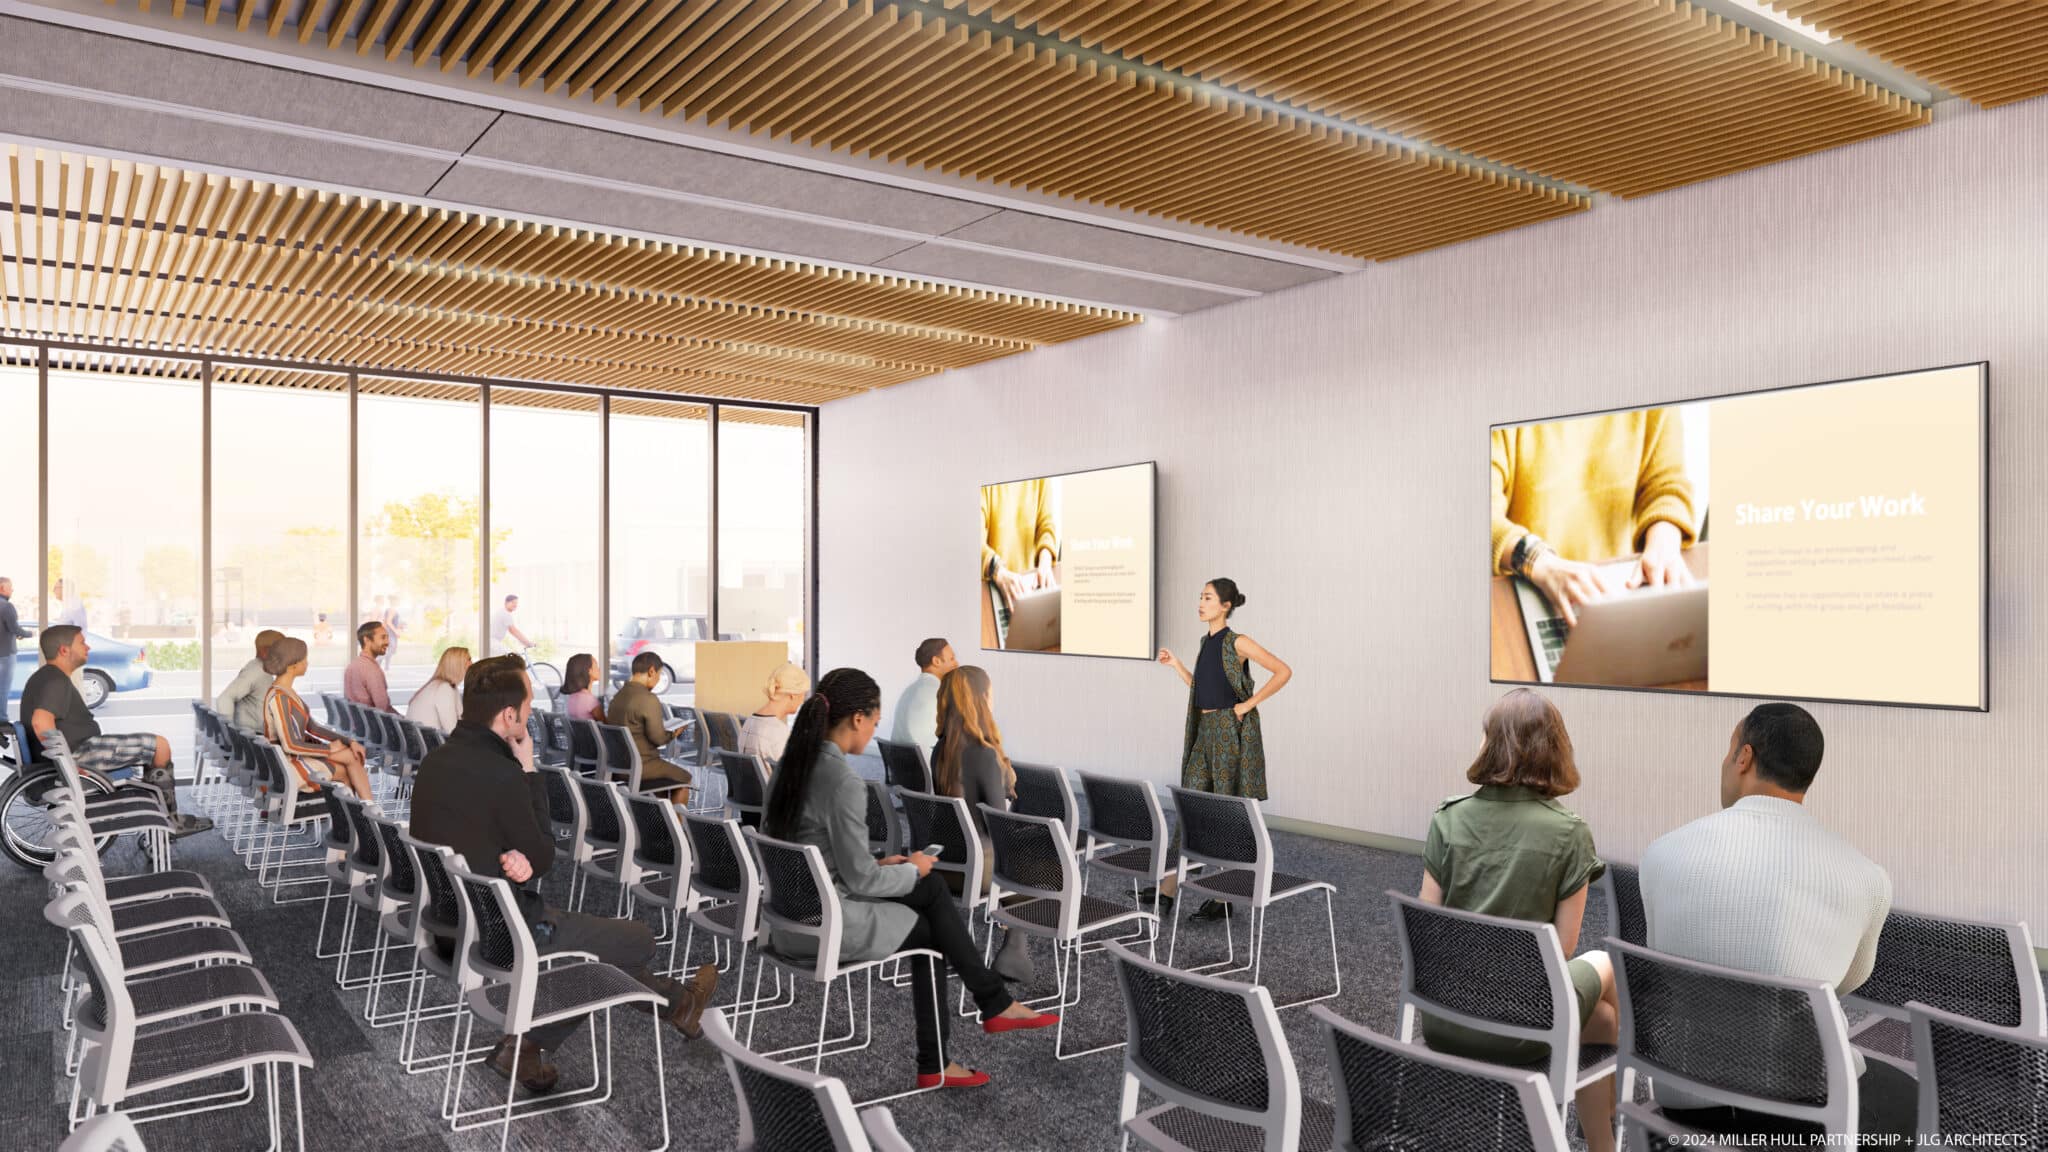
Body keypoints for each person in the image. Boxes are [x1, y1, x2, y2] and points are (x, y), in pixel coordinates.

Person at [409, 654, 718, 1094]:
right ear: (509, 714)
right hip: (501, 934)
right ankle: (529, 1045)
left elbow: (493, 843)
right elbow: (544, 856)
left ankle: (679, 1004)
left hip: (448, 924)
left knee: (595, 948)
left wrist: (512, 855)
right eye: (529, 703)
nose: (532, 711)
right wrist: (530, 770)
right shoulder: (502, 772)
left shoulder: (437, 762)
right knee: (635, 942)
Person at [762, 667, 1057, 1090]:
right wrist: (909, 869)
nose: (873, 732)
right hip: (826, 924)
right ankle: (950, 1045)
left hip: (791, 917)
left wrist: (892, 866)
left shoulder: (787, 769)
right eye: (876, 723)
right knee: (933, 926)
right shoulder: (842, 780)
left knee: (931, 888)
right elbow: (861, 882)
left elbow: (817, 854)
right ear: (858, 719)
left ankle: (990, 1006)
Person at [1639, 702, 1905, 1140]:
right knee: (1911, 1096)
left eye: (1728, 752)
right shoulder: (1867, 877)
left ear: (1744, 757)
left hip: (1683, 1091)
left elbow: (1665, 960)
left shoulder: (1662, 854)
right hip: (1807, 1104)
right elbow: (1843, 983)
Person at [1416, 689, 1617, 1152]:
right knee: (1604, 966)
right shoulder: (1569, 833)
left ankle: (1599, 1133)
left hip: (1444, 1016)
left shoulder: (1448, 819)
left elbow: (1426, 927)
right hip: (1524, 1026)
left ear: (1489, 744)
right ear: (1556, 747)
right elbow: (1561, 951)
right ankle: (1600, 1136)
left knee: (1604, 1021)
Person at [1153, 578, 1291, 919]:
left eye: (1208, 598)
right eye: (1200, 596)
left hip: (1228, 731)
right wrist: (1177, 667)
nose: (1201, 602)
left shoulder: (1237, 641)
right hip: (1205, 730)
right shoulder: (1206, 641)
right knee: (1191, 804)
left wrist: (1246, 706)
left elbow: (1282, 671)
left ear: (1225, 605)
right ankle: (1166, 892)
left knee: (1227, 813)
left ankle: (1225, 898)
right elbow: (1201, 689)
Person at [1492, 409, 1699, 626]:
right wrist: (1538, 561)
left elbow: (1667, 483)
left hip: (1617, 590)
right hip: (1526, 590)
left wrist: (1664, 542)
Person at [21, 625, 212, 836]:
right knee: (160, 746)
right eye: (82, 642)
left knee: (155, 746)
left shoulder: (46, 677)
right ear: (64, 650)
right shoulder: (54, 681)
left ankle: (159, 821)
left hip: (82, 748)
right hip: (80, 752)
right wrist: (68, 764)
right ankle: (170, 823)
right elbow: (41, 722)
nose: (88, 646)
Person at [930, 664, 1034, 981]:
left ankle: (1005, 936)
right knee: (1044, 870)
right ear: (980, 699)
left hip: (944, 865)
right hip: (979, 869)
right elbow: (997, 825)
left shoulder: (940, 750)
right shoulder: (984, 754)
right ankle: (1014, 950)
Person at [262, 636, 376, 802]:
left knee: (352, 757)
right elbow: (290, 744)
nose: (307, 663)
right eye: (304, 659)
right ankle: (363, 816)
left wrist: (349, 741)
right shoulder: (280, 698)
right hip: (287, 765)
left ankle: (366, 813)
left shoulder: (286, 692)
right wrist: (329, 749)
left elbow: (313, 727)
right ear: (293, 665)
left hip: (294, 757)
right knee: (347, 768)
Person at [611, 651, 694, 797]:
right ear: (651, 671)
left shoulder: (618, 696)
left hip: (618, 766)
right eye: (659, 674)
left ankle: (658, 818)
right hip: (643, 764)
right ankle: (675, 820)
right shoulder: (648, 699)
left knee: (663, 783)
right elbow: (658, 739)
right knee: (685, 778)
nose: (657, 680)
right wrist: (673, 733)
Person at [981, 479, 1059, 610]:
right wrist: (998, 572)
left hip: (1028, 589)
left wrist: (1045, 559)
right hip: (993, 591)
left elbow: (1046, 525)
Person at [888, 638, 956, 758]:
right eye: (952, 659)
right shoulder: (941, 693)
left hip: (901, 770)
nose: (956, 664)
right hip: (930, 770)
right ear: (936, 661)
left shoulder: (909, 691)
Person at [214, 629, 285, 731]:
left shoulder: (261, 669)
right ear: (265, 652)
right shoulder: (256, 671)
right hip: (255, 738)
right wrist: (229, 734)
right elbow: (224, 698)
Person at [740, 662, 809, 765]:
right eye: (803, 695)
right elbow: (791, 775)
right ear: (793, 695)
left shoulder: (748, 723)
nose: (802, 701)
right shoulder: (778, 732)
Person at [407, 646, 470, 733]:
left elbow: (461, 720)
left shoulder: (440, 685)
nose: (472, 663)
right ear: (457, 664)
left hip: (422, 743)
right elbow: (452, 730)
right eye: (468, 660)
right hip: (432, 744)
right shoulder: (444, 689)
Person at [344, 621, 394, 712]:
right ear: (366, 640)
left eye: (387, 637)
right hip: (375, 725)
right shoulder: (371, 670)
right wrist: (407, 721)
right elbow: (384, 709)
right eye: (383, 637)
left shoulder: (352, 665)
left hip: (357, 724)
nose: (387, 642)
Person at [0, 576, 29, 719]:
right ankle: (2, 721)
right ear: (2, 588)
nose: (12, 590)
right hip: (5, 654)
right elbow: (14, 628)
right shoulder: (6, 606)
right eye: (10, 587)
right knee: (2, 689)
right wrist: (29, 633)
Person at [559, 653, 606, 723]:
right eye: (596, 666)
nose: (599, 670)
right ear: (589, 671)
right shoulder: (590, 701)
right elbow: (607, 726)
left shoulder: (572, 697)